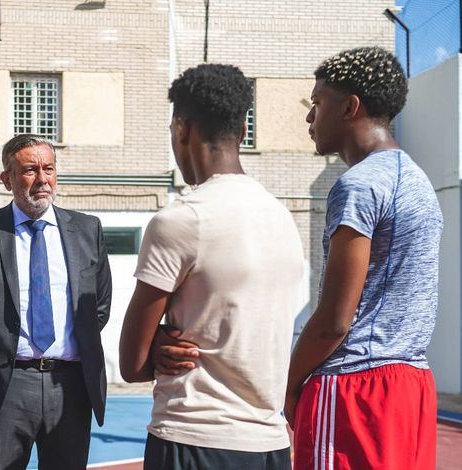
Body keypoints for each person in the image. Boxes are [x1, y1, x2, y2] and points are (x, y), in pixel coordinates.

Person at [119, 63, 304, 470]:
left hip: (193, 436)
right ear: (241, 131)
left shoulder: (181, 220)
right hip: (271, 444)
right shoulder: (282, 218)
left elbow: (131, 364)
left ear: (182, 129)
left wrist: (153, 346)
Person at [285, 46, 442, 470]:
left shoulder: (360, 185)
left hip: (356, 386)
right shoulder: (418, 181)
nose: (309, 118)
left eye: (317, 104)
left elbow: (335, 320)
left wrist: (290, 386)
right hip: (411, 385)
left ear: (350, 107)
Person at [0, 134, 112, 469]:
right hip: (4, 388)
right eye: (30, 170)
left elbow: (99, 307)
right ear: (7, 179)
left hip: (70, 387)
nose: (42, 179)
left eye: (48, 169)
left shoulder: (87, 229)